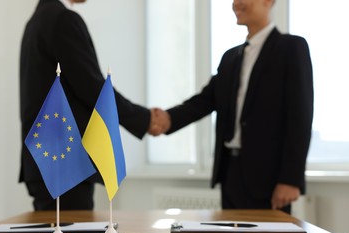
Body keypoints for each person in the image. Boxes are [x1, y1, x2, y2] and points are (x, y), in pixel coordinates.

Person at [155, 0, 313, 214]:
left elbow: (300, 116)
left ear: (269, 1)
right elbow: (204, 101)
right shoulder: (230, 57)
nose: (235, 3)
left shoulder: (291, 48)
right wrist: (165, 120)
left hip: (270, 179)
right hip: (230, 174)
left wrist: (291, 179)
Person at [20, 0, 165, 210]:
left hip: (45, 160)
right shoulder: (62, 20)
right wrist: (144, 119)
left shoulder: (36, 21)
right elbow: (92, 87)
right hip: (66, 164)